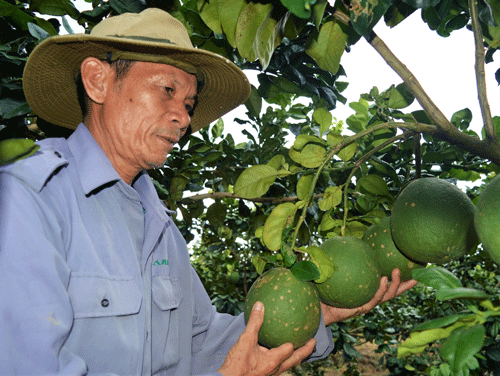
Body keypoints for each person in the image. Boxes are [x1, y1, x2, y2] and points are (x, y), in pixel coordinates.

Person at [0, 8, 417, 376]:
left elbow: (200, 341)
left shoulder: (157, 224)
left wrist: (315, 314)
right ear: (98, 80)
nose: (182, 117)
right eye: (167, 90)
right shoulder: (29, 194)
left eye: (189, 102)